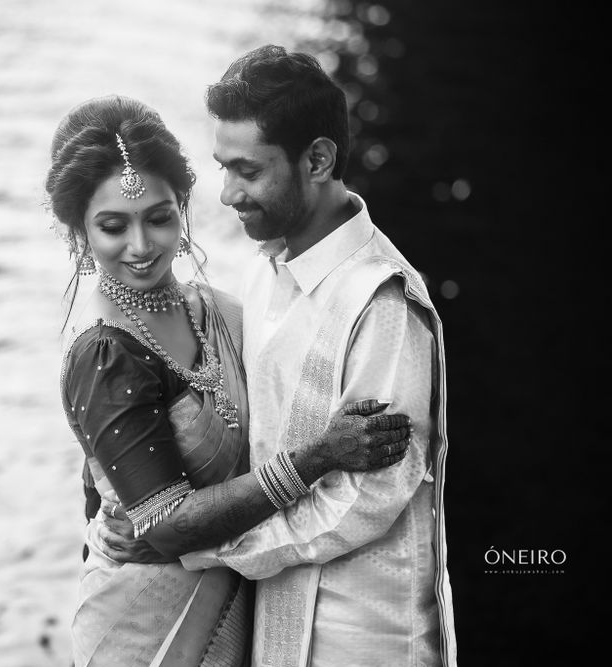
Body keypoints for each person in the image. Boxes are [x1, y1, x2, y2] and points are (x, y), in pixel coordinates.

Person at [98, 47, 458, 666]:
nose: (229, 193)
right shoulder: (265, 269)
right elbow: (237, 416)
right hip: (275, 620)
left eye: (248, 171)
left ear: (317, 159)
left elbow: (364, 500)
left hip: (364, 634)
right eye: (223, 167)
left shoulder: (382, 302)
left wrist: (199, 545)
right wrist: (123, 479)